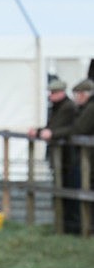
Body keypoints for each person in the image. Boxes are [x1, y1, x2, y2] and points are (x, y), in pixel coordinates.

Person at [38, 78, 94, 234]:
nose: (76, 97)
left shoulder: (86, 108)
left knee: (78, 193)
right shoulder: (77, 108)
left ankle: (78, 229)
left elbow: (77, 129)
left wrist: (54, 133)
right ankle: (75, 228)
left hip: (82, 159)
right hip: (80, 159)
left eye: (78, 94)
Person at [29, 78, 79, 233]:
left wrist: (47, 133)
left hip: (68, 158)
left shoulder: (68, 107)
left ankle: (71, 227)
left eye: (54, 92)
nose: (51, 95)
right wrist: (39, 132)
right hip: (62, 158)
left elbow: (61, 129)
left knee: (69, 193)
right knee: (63, 192)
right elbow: (52, 128)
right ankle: (64, 227)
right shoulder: (60, 107)